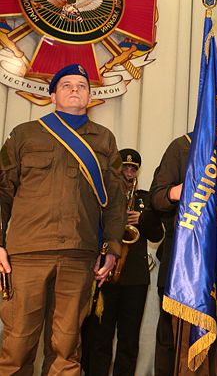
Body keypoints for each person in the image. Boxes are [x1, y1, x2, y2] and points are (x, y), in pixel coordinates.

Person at [0, 64, 126, 375]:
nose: (74, 90)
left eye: (81, 85)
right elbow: (2, 192)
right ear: (53, 95)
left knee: (66, 350)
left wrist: (112, 248)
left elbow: (115, 199)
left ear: (90, 97)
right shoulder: (24, 134)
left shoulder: (104, 139)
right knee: (17, 346)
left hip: (79, 255)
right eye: (66, 85)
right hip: (26, 254)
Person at [150, 79, 217, 376]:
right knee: (189, 341)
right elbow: (157, 197)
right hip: (192, 257)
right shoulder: (183, 146)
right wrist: (177, 192)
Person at [82, 149, 164, 376]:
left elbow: (157, 236)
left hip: (135, 279)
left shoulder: (145, 199)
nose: (128, 173)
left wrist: (143, 219)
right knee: (100, 336)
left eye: (133, 169)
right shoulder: (103, 197)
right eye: (124, 168)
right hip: (105, 276)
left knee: (129, 339)